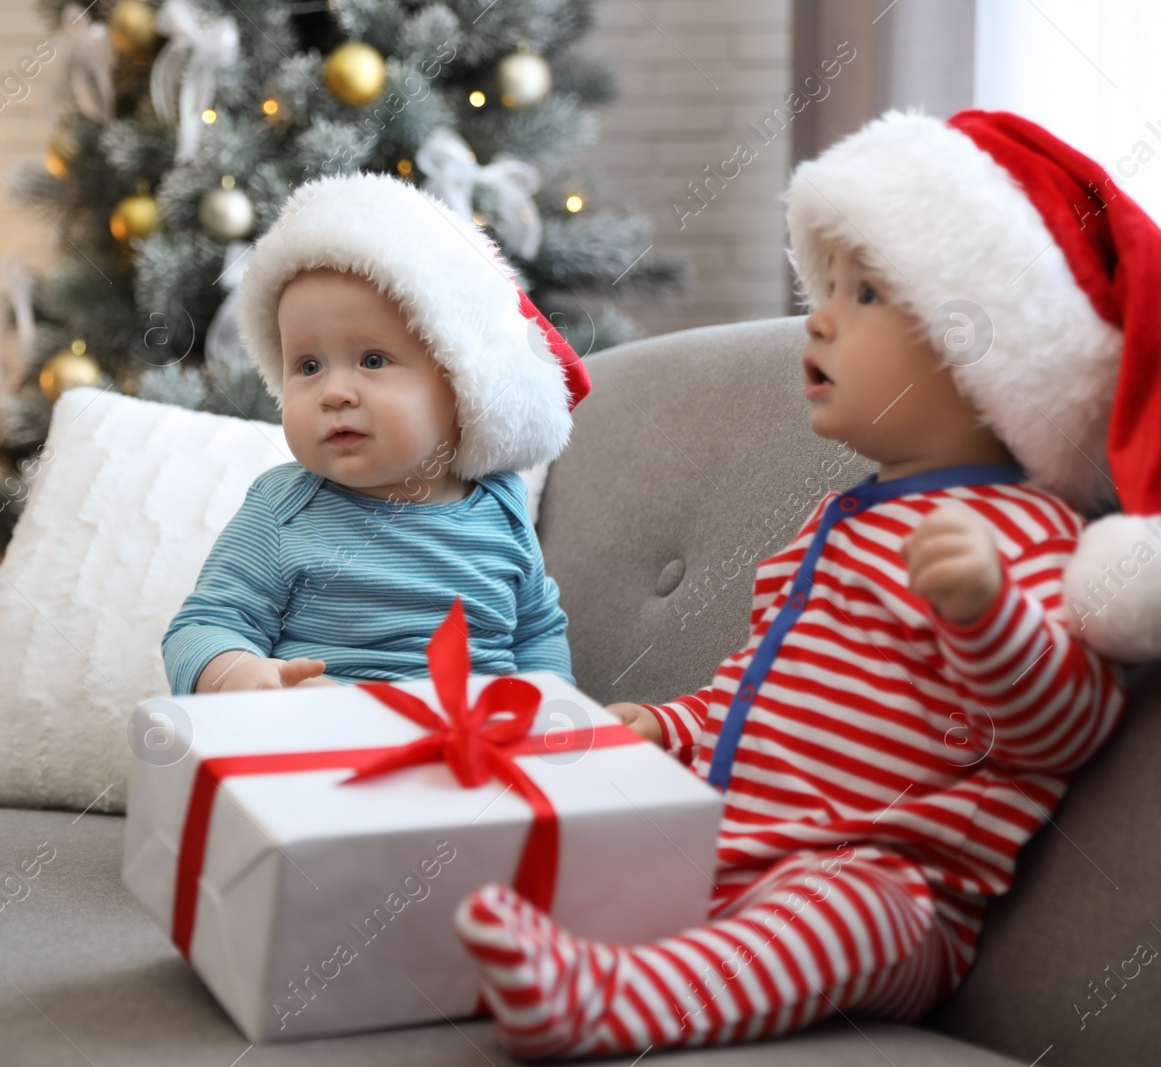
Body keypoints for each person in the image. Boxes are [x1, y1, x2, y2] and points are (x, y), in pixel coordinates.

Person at [454, 108, 1161, 1057]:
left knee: (849, 904)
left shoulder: (1026, 533)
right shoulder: (835, 524)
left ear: (987, 350)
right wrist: (671, 725)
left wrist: (987, 615)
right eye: (823, 286)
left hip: (891, 895)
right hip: (727, 854)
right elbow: (751, 692)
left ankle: (619, 1000)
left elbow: (1056, 726)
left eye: (864, 293)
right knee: (581, 825)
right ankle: (506, 949)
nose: (819, 315)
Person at [162, 172, 592, 695]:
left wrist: (552, 708)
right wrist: (242, 674)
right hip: (330, 748)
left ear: (462, 383)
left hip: (474, 756)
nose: (334, 392)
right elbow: (205, 625)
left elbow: (536, 632)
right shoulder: (284, 509)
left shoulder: (501, 509)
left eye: (372, 359)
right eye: (308, 365)